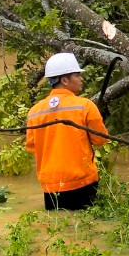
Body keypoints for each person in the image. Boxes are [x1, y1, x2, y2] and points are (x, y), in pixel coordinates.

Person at [25, 52, 108, 211]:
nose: (81, 79)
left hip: (50, 186)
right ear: (64, 80)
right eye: (77, 75)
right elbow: (101, 140)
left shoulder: (34, 112)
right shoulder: (85, 106)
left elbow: (32, 147)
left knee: (58, 229)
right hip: (82, 183)